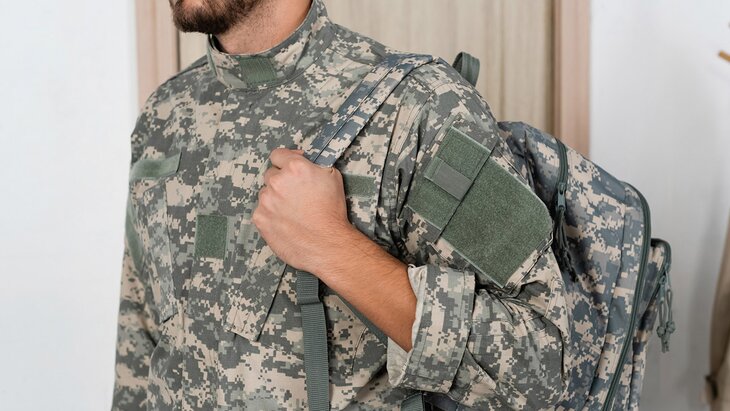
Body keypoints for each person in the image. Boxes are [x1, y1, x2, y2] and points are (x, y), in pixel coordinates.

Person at [112, 0, 571, 409]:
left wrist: (333, 246)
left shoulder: (421, 107)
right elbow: (140, 335)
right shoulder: (164, 115)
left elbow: (542, 368)